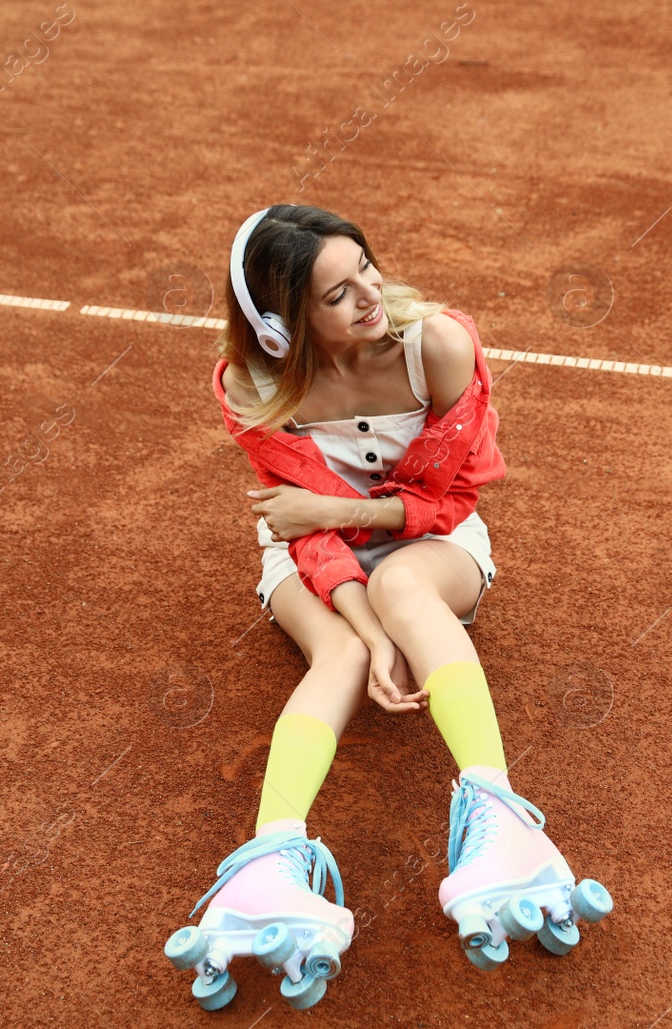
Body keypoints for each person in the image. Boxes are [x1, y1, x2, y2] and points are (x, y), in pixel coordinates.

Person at [163, 204, 612, 1012]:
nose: (370, 293)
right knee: (336, 653)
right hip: (311, 558)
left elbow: (450, 498)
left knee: (404, 585)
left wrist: (338, 519)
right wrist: (367, 637)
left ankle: (500, 813)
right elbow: (301, 536)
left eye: (364, 266)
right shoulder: (250, 382)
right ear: (278, 328)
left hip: (431, 543)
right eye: (336, 294)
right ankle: (269, 859)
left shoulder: (437, 344)